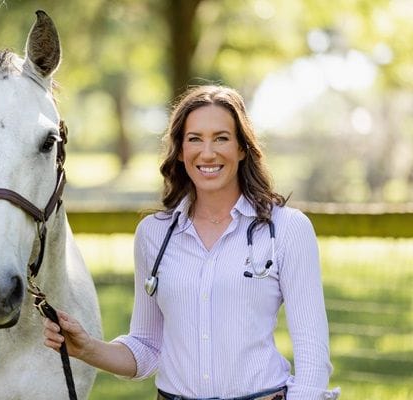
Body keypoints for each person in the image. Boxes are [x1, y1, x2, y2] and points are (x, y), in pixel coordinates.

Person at [43, 85, 340, 400]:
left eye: (221, 138)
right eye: (194, 139)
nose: (207, 152)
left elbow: (312, 357)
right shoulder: (154, 235)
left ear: (242, 148)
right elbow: (146, 348)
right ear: (180, 151)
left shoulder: (286, 229)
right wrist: (88, 348)